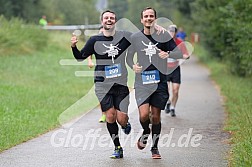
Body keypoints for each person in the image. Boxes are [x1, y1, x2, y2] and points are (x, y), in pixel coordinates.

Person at [126, 7, 187, 159]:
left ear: (155, 18)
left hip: (159, 81)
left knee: (156, 117)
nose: (148, 18)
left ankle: (154, 148)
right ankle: (146, 131)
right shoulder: (135, 37)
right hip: (142, 82)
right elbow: (128, 57)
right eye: (146, 16)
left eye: (151, 16)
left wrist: (168, 53)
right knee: (143, 115)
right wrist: (133, 66)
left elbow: (179, 52)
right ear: (141, 20)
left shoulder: (164, 35)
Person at [71, 10, 132, 159]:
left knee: (121, 118)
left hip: (120, 84)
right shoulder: (94, 40)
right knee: (110, 116)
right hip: (102, 84)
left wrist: (156, 29)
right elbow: (80, 57)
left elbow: (144, 37)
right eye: (106, 18)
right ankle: (118, 147)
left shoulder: (125, 37)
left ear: (115, 21)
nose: (109, 20)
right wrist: (73, 47)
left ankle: (125, 125)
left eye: (111, 18)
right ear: (102, 21)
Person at [165, 24, 189, 117]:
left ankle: (172, 108)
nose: (171, 33)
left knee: (175, 90)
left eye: (173, 31)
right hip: (166, 68)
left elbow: (186, 54)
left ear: (176, 32)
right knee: (166, 89)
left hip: (175, 69)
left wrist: (185, 56)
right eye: (170, 31)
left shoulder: (180, 42)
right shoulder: (164, 42)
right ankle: (168, 102)